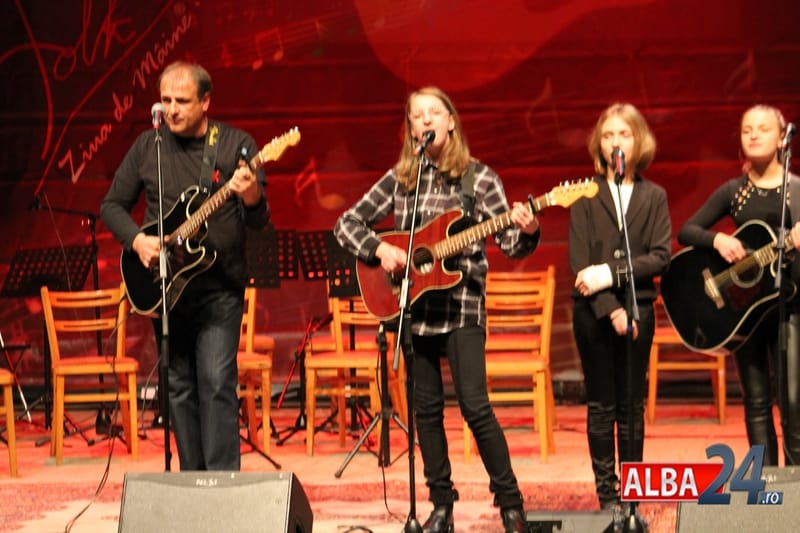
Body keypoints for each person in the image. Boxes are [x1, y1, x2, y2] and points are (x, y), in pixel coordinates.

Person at [333, 86, 539, 533]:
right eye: (416, 115)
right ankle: (441, 506)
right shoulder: (402, 178)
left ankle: (511, 505)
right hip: (414, 307)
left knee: (475, 407)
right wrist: (380, 250)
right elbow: (345, 223)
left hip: (462, 307)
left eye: (433, 113)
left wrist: (528, 227)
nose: (425, 121)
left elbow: (510, 245)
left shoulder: (479, 179)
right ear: (411, 128)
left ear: (451, 121)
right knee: (425, 412)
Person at [100, 61, 270, 470]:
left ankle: (221, 484)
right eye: (166, 101)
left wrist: (249, 195)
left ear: (206, 101)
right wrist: (137, 240)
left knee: (215, 382)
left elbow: (259, 219)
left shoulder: (235, 145)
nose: (172, 110)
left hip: (219, 288)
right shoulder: (149, 146)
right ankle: (192, 480)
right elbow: (112, 205)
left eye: (182, 101)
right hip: (166, 288)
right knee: (177, 386)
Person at [677, 104, 800, 466]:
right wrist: (717, 240)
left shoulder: (797, 190)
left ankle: (796, 486)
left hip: (791, 306)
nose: (754, 135)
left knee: (794, 403)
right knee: (756, 401)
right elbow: (687, 230)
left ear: (782, 138)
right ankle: (767, 482)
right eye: (747, 130)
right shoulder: (735, 191)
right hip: (745, 310)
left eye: (763, 129)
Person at [568, 103, 671, 512]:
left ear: (638, 141)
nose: (615, 142)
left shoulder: (654, 196)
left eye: (624, 134)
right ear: (599, 144)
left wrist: (609, 274)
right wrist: (612, 308)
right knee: (602, 405)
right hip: (593, 313)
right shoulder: (586, 194)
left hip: (639, 310)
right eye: (608, 135)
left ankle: (632, 498)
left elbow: (659, 257)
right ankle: (608, 497)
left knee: (631, 407)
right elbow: (579, 263)